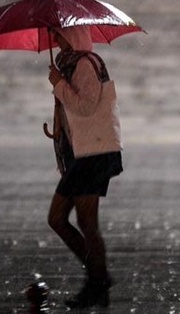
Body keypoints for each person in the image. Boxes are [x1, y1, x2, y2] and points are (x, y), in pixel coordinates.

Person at [46, 26, 123, 308]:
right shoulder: (71, 64)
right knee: (61, 219)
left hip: (95, 152)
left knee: (83, 222)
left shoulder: (84, 64)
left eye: (60, 34)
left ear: (74, 35)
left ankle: (98, 280)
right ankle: (98, 278)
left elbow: (87, 105)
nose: (56, 40)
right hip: (85, 152)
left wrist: (58, 84)